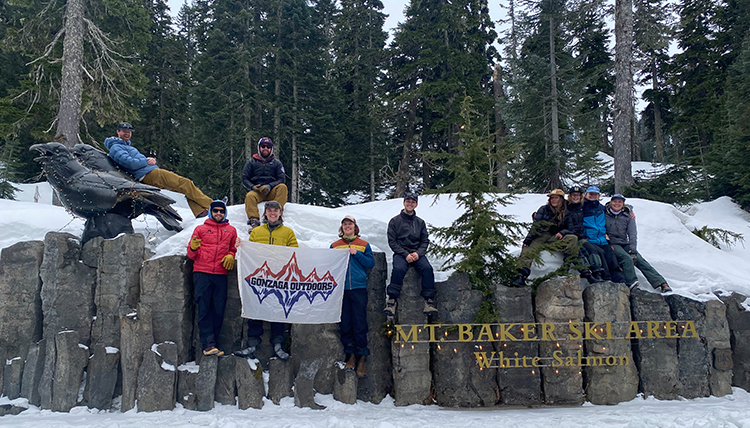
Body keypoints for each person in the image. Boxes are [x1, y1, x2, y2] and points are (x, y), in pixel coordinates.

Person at [104, 122, 213, 218]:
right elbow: (129, 163)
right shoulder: (116, 147)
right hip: (149, 174)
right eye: (124, 131)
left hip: (149, 174)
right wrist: (146, 161)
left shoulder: (124, 146)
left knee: (183, 187)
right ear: (118, 132)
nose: (127, 133)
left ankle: (200, 213)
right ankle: (213, 206)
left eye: (129, 131)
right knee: (185, 183)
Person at [234, 201, 297, 360]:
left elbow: (295, 253)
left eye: (276, 211)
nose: (273, 213)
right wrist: (242, 246)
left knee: (278, 309)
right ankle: (252, 344)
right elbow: (251, 251)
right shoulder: (257, 232)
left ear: (280, 213)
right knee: (255, 307)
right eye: (269, 211)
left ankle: (278, 344)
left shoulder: (288, 232)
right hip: (260, 277)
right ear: (265, 214)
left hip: (279, 277)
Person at [187, 199, 238, 356]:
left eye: (221, 211)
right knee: (204, 309)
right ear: (210, 211)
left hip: (221, 274)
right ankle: (207, 344)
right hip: (202, 273)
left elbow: (233, 248)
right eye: (215, 210)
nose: (218, 213)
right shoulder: (200, 229)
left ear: (225, 213)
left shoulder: (231, 230)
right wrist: (193, 247)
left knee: (218, 310)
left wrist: (230, 255)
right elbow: (191, 254)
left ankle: (214, 344)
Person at [330, 215, 374, 377]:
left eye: (350, 224)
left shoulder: (364, 245)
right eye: (345, 224)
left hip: (358, 287)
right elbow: (329, 264)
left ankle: (362, 356)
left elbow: (370, 264)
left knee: (360, 322)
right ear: (341, 228)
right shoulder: (334, 245)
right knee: (345, 322)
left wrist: (357, 254)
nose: (347, 226)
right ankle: (350, 355)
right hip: (341, 289)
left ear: (355, 227)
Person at [511, 189, 582, 287]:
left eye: (556, 198)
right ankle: (521, 276)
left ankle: (566, 267)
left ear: (561, 199)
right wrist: (528, 239)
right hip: (541, 236)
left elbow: (572, 229)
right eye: (551, 198)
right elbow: (536, 225)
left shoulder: (566, 212)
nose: (553, 200)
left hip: (555, 238)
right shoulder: (543, 209)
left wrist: (562, 232)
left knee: (572, 238)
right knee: (528, 250)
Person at [383, 192, 437, 317]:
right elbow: (392, 241)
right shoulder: (394, 221)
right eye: (408, 201)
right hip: (401, 253)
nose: (410, 204)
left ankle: (428, 301)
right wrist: (405, 254)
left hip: (417, 253)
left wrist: (418, 253)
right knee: (399, 269)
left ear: (416, 204)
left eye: (413, 202)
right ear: (404, 203)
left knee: (427, 269)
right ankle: (392, 300)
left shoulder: (420, 222)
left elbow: (425, 241)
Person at [605, 194, 672, 293]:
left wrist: (633, 250)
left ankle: (662, 283)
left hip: (624, 242)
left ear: (623, 204)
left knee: (639, 259)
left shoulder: (627, 215)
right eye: (615, 201)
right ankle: (632, 283)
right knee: (626, 258)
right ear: (611, 202)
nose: (617, 204)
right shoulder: (604, 213)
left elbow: (632, 234)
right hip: (612, 243)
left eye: (620, 202)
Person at [560, 186, 610, 283]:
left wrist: (628, 209)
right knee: (580, 251)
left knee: (593, 250)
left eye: (578, 195)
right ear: (569, 196)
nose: (575, 197)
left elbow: (604, 207)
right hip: (569, 236)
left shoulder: (582, 206)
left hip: (580, 236)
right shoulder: (565, 207)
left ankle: (597, 272)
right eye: (573, 195)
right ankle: (587, 274)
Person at [241, 137, 288, 232]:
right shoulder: (251, 162)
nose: (265, 148)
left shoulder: (277, 163)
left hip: (272, 190)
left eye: (268, 147)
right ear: (259, 148)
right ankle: (254, 221)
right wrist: (252, 187)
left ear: (271, 149)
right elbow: (244, 178)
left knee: (283, 187)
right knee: (249, 196)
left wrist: (270, 186)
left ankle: (275, 215)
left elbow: (282, 179)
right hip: (257, 191)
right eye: (263, 146)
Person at [581, 186, 626, 284]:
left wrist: (629, 209)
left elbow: (617, 208)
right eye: (591, 194)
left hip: (602, 239)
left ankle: (620, 281)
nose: (593, 196)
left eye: (595, 194)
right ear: (586, 195)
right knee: (601, 254)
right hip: (589, 239)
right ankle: (606, 279)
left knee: (611, 257)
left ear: (598, 196)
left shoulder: (602, 208)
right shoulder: (581, 207)